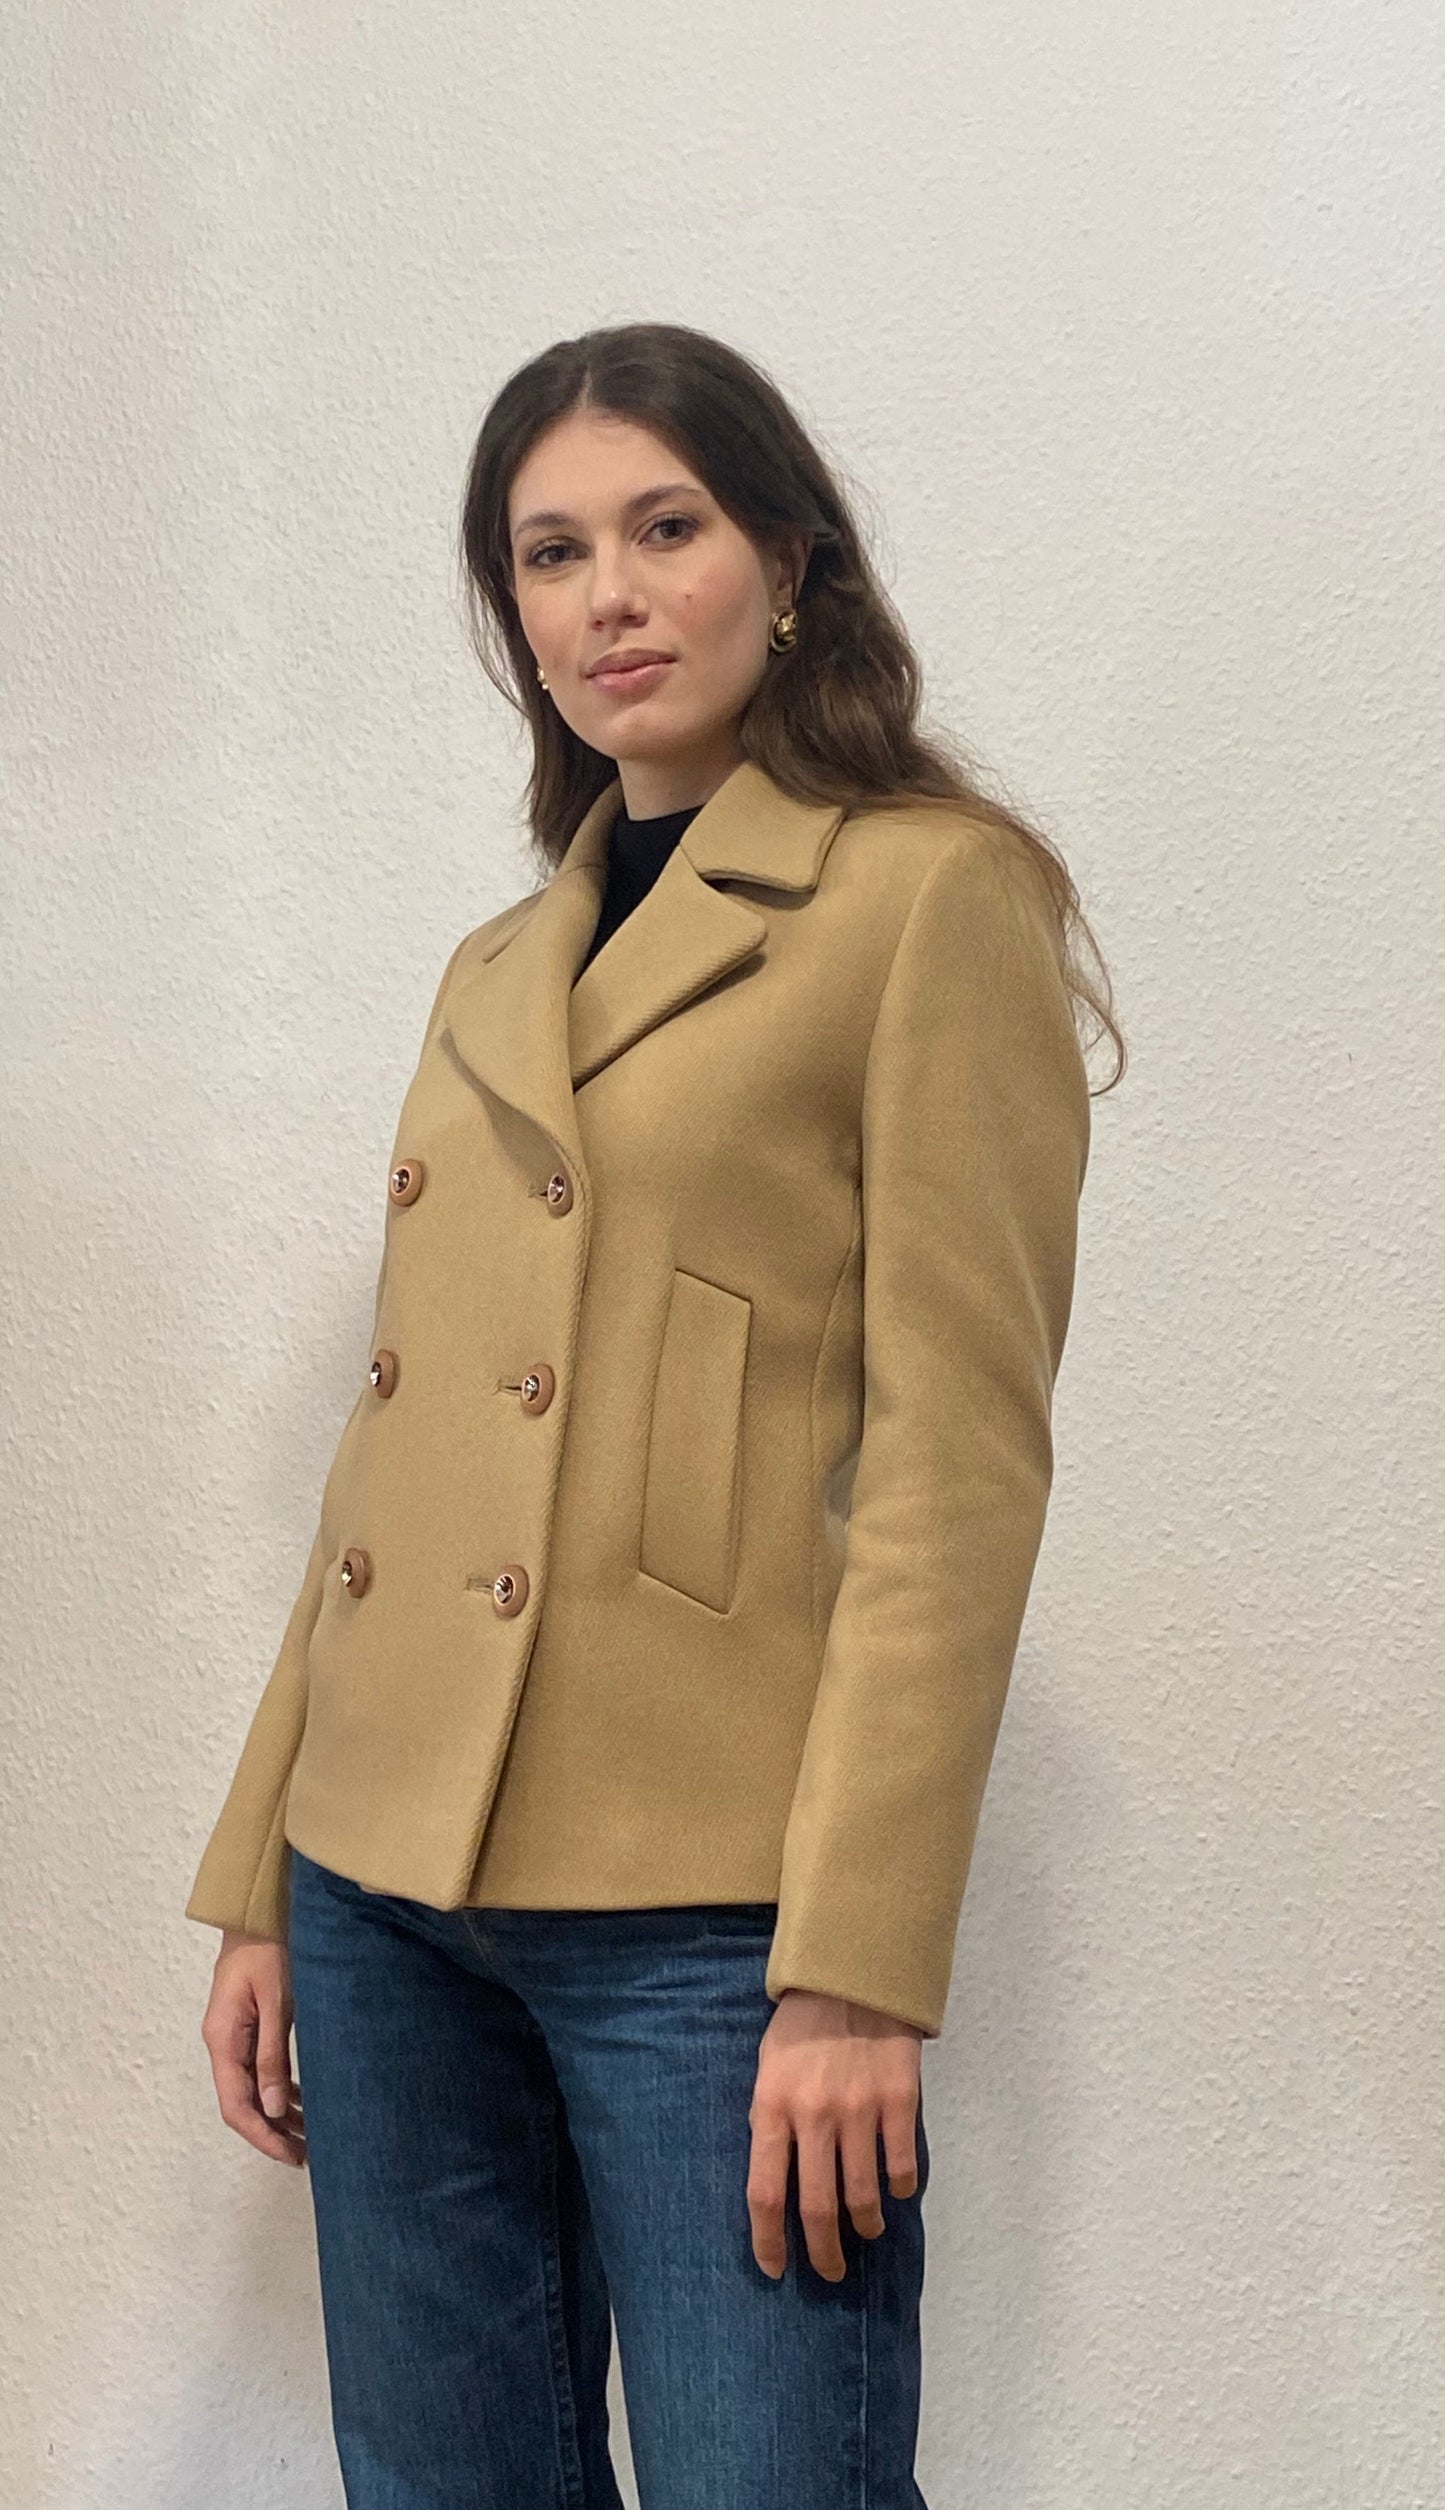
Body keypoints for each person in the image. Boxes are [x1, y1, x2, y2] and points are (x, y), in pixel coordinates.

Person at [188, 320, 1123, 2509]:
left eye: (664, 527)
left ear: (786, 562)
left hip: (714, 1918)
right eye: (548, 552)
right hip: (382, 1884)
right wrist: (262, 1876)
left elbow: (960, 1467)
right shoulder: (497, 965)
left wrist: (859, 1967)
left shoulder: (928, 896)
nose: (607, 595)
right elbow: (398, 1438)